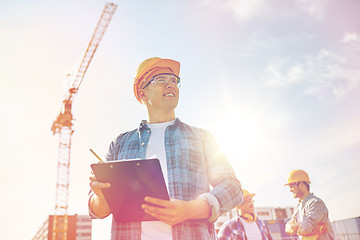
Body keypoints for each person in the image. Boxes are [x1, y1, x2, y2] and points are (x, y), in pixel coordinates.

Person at [88, 57, 243, 240]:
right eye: (160, 79)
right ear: (142, 92)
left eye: (174, 80)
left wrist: (191, 209)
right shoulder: (120, 143)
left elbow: (233, 188)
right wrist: (102, 196)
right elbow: (97, 210)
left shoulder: (201, 138)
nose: (171, 84)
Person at [284, 169, 335, 240]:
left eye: (291, 186)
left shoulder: (316, 203)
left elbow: (304, 230)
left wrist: (296, 227)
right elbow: (288, 229)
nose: (290, 189)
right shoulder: (298, 208)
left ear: (301, 185)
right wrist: (301, 224)